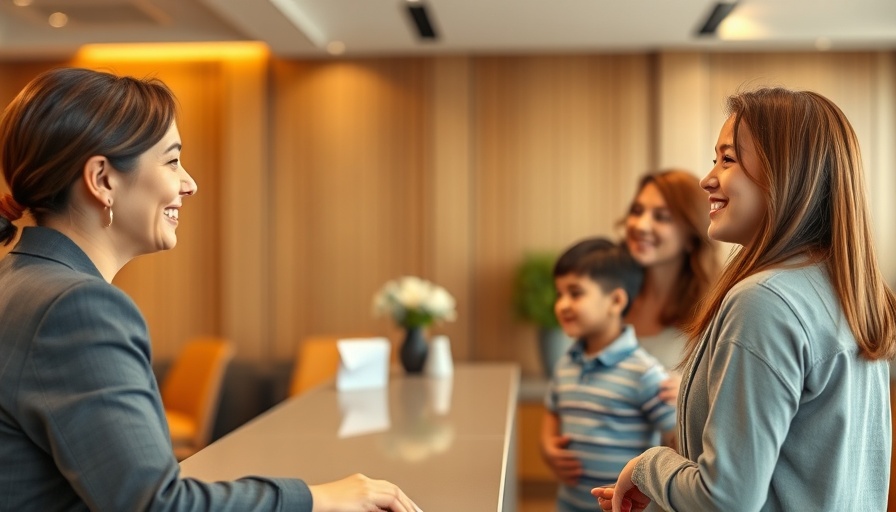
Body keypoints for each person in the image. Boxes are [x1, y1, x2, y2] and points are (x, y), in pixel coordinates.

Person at [0, 67, 418, 511]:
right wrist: (318, 499)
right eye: (172, 160)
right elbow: (158, 505)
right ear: (103, 180)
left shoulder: (18, 281)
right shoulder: (76, 307)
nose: (189, 183)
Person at [594, 87, 896, 512]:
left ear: (787, 172)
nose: (708, 177)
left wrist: (648, 466)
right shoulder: (847, 293)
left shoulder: (765, 302)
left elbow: (725, 501)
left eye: (728, 158)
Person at [541, 237, 676, 512]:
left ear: (615, 301)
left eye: (575, 293)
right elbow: (553, 409)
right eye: (559, 294)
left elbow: (676, 436)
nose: (562, 304)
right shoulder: (566, 363)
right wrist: (547, 445)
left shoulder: (644, 372)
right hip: (569, 503)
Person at [622, 170, 720, 400]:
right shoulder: (611, 298)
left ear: (690, 237)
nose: (641, 225)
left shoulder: (712, 314)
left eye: (662, 217)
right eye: (637, 211)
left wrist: (691, 398)